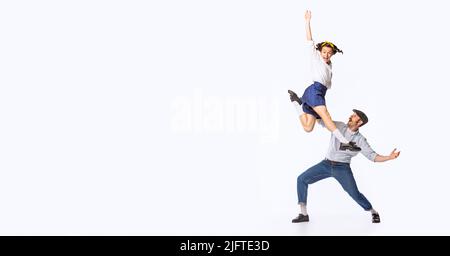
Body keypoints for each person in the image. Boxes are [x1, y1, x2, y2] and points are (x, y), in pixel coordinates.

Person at [291, 109, 400, 223]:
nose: (351, 116)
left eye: (354, 116)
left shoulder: (360, 140)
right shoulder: (339, 126)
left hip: (342, 169)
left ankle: (373, 211)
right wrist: (305, 107)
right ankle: (303, 214)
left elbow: (373, 157)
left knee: (355, 194)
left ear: (359, 122)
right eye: (353, 114)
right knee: (301, 179)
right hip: (326, 164)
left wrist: (389, 157)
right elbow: (320, 120)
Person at [288, 10, 360, 151]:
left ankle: (297, 103)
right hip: (314, 91)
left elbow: (327, 82)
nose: (326, 54)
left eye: (329, 53)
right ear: (320, 52)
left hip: (320, 93)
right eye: (324, 52)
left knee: (308, 128)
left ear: (332, 54)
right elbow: (309, 41)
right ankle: (344, 141)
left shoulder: (330, 65)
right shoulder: (316, 58)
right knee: (325, 115)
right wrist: (307, 21)